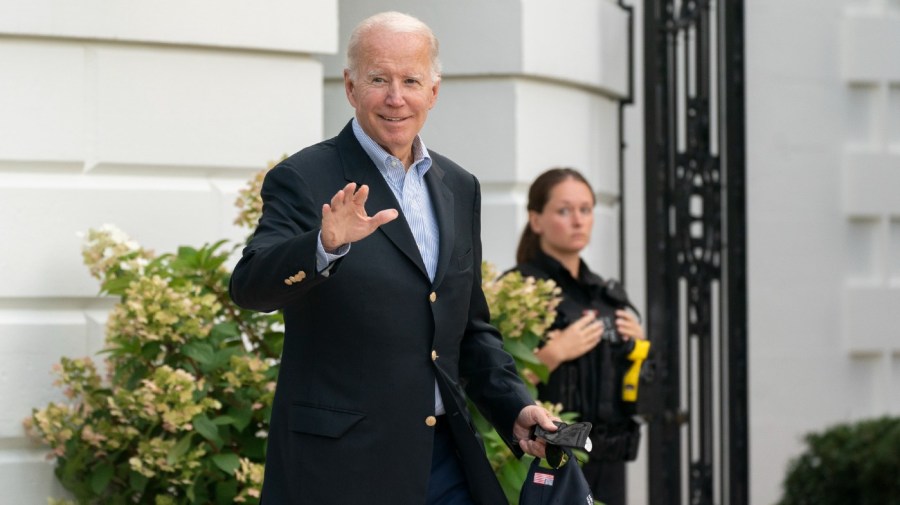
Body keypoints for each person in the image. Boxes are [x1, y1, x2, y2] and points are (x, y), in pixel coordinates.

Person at [229, 11, 558, 505]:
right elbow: (250, 285)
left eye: (411, 80)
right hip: (342, 469)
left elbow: (466, 326)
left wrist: (514, 406)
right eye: (379, 79)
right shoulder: (303, 177)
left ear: (434, 91)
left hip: (446, 460)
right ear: (350, 86)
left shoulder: (458, 186)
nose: (395, 97)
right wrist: (324, 244)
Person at [509, 168, 647, 505]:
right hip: (547, 457)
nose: (578, 220)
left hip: (609, 462)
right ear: (536, 219)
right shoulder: (518, 292)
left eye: (585, 210)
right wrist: (552, 355)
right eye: (564, 210)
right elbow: (490, 382)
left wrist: (641, 349)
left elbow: (644, 392)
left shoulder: (606, 295)